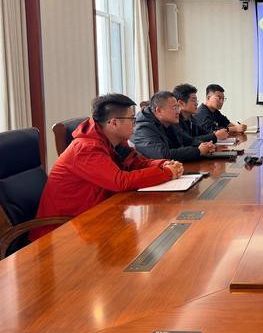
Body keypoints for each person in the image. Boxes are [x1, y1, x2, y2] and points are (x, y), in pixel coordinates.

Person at [30, 94, 183, 241]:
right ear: (114, 123)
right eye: (132, 119)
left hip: (95, 217)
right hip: (61, 233)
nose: (135, 124)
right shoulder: (86, 148)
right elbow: (120, 181)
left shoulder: (115, 140)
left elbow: (137, 163)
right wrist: (166, 173)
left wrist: (163, 164)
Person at [131, 91, 216, 162]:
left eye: (178, 107)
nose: (178, 112)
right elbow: (162, 155)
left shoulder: (169, 122)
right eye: (174, 108)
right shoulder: (143, 128)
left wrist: (205, 145)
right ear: (159, 110)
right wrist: (198, 151)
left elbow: (188, 140)